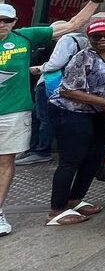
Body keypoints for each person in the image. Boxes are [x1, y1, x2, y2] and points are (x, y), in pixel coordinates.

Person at [0, 0, 105, 236]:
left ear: (15, 22)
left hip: (13, 111)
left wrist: (95, 0)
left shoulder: (24, 37)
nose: (2, 24)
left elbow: (72, 24)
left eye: (7, 20)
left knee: (5, 162)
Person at [46, 18, 105, 227]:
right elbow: (67, 90)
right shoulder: (82, 58)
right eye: (96, 36)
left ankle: (75, 199)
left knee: (94, 157)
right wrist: (104, 102)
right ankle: (57, 209)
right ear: (89, 38)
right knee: (71, 159)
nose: (102, 39)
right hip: (71, 112)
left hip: (96, 114)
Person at [22, 28, 89, 167]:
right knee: (43, 115)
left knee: (41, 116)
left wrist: (39, 68)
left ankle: (40, 150)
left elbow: (56, 63)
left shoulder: (66, 40)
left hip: (49, 82)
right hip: (62, 83)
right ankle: (36, 148)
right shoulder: (82, 41)